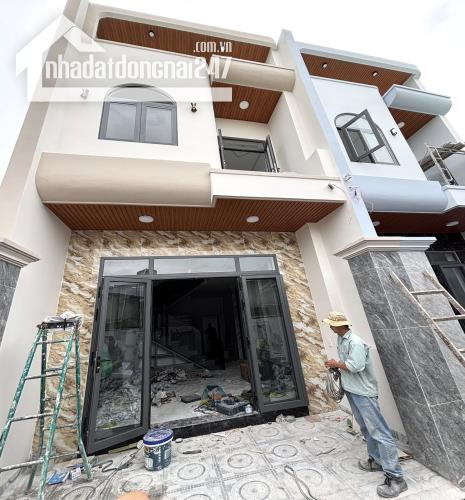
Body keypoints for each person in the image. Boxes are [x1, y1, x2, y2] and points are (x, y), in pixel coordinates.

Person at [322, 311, 408, 498]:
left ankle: (397, 478)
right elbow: (347, 365)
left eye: (332, 324)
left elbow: (355, 366)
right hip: (353, 390)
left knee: (380, 432)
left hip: (364, 393)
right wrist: (336, 367)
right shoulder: (341, 339)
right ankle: (377, 460)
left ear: (340, 325)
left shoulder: (355, 342)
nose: (330, 326)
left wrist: (336, 363)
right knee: (367, 429)